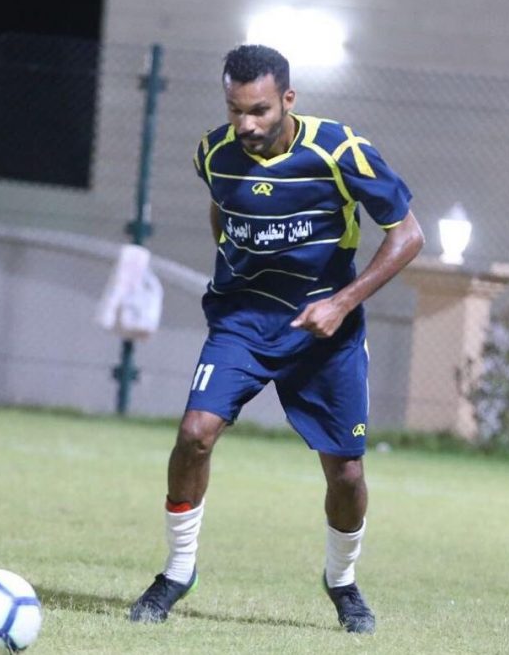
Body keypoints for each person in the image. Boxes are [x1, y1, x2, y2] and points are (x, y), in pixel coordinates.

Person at [129, 44, 424, 633]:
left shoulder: (340, 151)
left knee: (346, 474)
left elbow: (408, 235)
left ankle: (342, 582)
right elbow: (222, 207)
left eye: (259, 110)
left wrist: (341, 303)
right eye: (235, 110)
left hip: (325, 332)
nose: (246, 125)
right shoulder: (213, 153)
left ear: (288, 99)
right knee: (194, 434)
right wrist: (233, 263)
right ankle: (177, 571)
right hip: (242, 322)